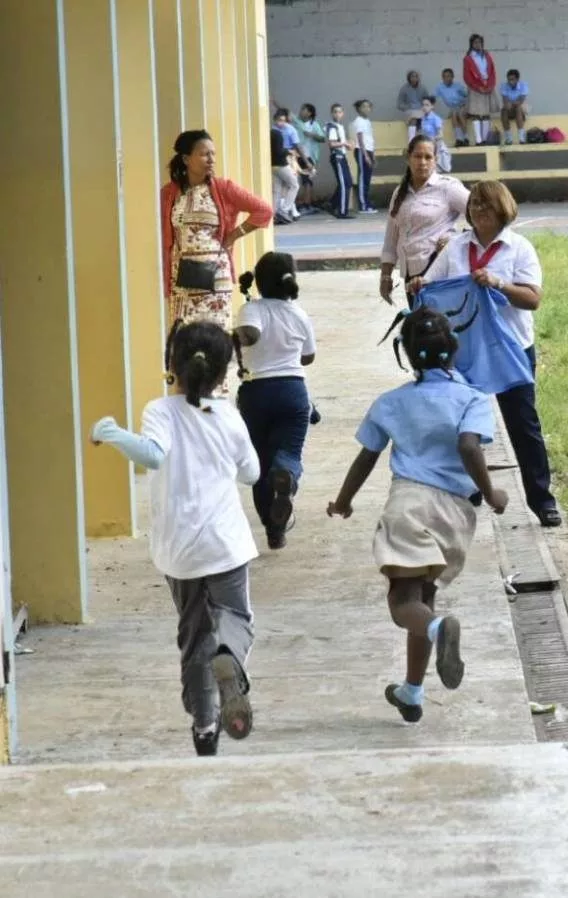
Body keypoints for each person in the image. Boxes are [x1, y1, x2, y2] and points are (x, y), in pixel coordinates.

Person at [326, 308, 508, 722]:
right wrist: (491, 492)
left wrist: (343, 501)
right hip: (456, 514)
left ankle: (439, 630)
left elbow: (366, 458)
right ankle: (411, 692)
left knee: (403, 603)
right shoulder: (473, 399)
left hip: (410, 505)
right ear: (454, 350)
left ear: (406, 354)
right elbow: (469, 445)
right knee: (423, 599)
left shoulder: (392, 402)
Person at [89, 321, 261, 757]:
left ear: (173, 366)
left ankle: (204, 725)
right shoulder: (230, 416)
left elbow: (151, 455)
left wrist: (110, 432)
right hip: (226, 545)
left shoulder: (159, 411)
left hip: (179, 551)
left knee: (193, 635)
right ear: (223, 374)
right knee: (235, 618)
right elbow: (253, 474)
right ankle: (230, 658)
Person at [411, 180, 561, 527]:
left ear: (503, 209)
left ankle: (542, 500)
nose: (478, 210)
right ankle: (470, 488)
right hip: (463, 351)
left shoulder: (519, 248)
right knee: (462, 425)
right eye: (474, 204)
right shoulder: (456, 248)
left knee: (523, 426)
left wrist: (498, 284)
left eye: (486, 205)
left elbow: (533, 299)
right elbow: (432, 287)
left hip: (510, 347)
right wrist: (419, 285)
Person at [234, 252, 317, 551]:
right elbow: (308, 356)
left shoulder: (251, 309)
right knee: (289, 452)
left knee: (259, 461)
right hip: (293, 391)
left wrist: (238, 338)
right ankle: (286, 477)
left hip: (256, 392)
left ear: (257, 281)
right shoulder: (299, 314)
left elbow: (250, 335)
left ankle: (274, 532)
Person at [159, 129, 273, 335]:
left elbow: (263, 210)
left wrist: (234, 235)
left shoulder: (223, 188)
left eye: (213, 154)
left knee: (214, 338)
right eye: (204, 154)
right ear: (186, 159)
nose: (211, 159)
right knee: (182, 338)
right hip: (181, 280)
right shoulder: (170, 193)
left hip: (215, 278)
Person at [379, 135, 470, 305]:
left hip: (438, 271)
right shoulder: (399, 193)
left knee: (438, 326)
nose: (423, 162)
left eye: (428, 157)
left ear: (435, 160)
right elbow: (391, 239)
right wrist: (385, 276)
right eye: (417, 156)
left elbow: (483, 215)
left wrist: (457, 240)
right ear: (408, 158)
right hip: (410, 275)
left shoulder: (448, 187)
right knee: (419, 327)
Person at [462, 34, 501, 146]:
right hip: (476, 88)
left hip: (487, 86)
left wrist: (491, 85)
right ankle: (478, 140)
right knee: (476, 114)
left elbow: (492, 71)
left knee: (486, 114)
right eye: (475, 43)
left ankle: (485, 139)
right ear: (471, 44)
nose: (477, 45)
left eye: (479, 42)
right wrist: (477, 87)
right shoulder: (468, 58)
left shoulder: (487, 56)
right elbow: (467, 76)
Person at [293, 103, 327, 213]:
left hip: (310, 156)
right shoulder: (297, 123)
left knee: (307, 180)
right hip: (298, 155)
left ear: (309, 113)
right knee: (304, 180)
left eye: (304, 109)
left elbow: (322, 139)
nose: (301, 111)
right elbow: (286, 112)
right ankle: (307, 203)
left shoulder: (314, 125)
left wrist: (311, 135)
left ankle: (306, 204)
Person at [270, 109, 302, 223]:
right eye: (279, 120)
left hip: (272, 165)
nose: (281, 123)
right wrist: (289, 152)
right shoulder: (277, 134)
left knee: (276, 191)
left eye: (283, 120)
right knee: (294, 185)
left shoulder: (270, 132)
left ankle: (273, 214)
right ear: (274, 120)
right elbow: (279, 151)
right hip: (281, 164)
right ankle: (283, 210)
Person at [325, 103, 355, 219]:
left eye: (339, 112)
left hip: (342, 156)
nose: (337, 114)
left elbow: (340, 142)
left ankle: (331, 204)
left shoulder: (340, 127)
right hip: (337, 157)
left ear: (343, 113)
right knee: (343, 184)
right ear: (332, 113)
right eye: (335, 112)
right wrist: (344, 143)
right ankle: (342, 211)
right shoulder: (332, 126)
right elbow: (332, 144)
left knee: (348, 182)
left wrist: (347, 145)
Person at [352, 99, 377, 214]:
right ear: (358, 109)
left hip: (369, 151)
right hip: (362, 151)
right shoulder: (359, 121)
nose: (366, 109)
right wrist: (365, 155)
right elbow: (360, 139)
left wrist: (373, 154)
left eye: (368, 106)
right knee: (363, 178)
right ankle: (363, 205)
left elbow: (370, 139)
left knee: (367, 179)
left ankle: (366, 202)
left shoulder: (367, 121)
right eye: (363, 107)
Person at [435, 67, 470, 147]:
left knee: (460, 114)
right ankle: (459, 139)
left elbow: (467, 96)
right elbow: (436, 99)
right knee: (454, 113)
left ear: (453, 77)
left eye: (449, 76)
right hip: (452, 108)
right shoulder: (439, 88)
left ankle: (466, 138)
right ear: (442, 78)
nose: (448, 78)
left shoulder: (458, 86)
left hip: (463, 106)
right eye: (445, 76)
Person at [397, 70, 432, 144]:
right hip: (409, 111)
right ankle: (411, 142)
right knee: (413, 120)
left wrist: (425, 107)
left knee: (423, 120)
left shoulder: (423, 88)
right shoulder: (404, 89)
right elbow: (399, 104)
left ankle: (423, 141)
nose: (414, 78)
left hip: (421, 110)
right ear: (408, 78)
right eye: (412, 77)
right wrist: (408, 106)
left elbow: (428, 102)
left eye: (416, 76)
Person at [416, 96, 450, 172]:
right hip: (426, 146)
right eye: (423, 105)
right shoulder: (422, 119)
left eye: (427, 105)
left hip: (435, 146)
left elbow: (440, 135)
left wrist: (432, 139)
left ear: (432, 106)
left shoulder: (436, 119)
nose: (424, 107)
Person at [500, 69, 529, 146]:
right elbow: (505, 101)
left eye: (512, 79)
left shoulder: (523, 85)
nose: (510, 82)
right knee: (503, 111)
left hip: (521, 108)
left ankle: (521, 138)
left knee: (518, 109)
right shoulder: (504, 86)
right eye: (509, 79)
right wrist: (509, 104)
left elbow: (520, 101)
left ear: (517, 79)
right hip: (510, 109)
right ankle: (509, 138)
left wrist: (511, 103)